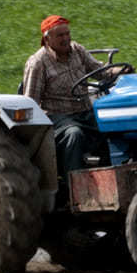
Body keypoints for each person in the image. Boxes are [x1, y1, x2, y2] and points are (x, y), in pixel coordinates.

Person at [22, 14, 104, 174]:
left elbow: (99, 71)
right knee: (74, 134)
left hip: (85, 111)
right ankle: (74, 184)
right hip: (58, 117)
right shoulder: (38, 63)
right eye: (60, 35)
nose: (66, 38)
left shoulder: (77, 50)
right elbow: (30, 102)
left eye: (67, 34)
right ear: (47, 40)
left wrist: (118, 71)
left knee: (111, 126)